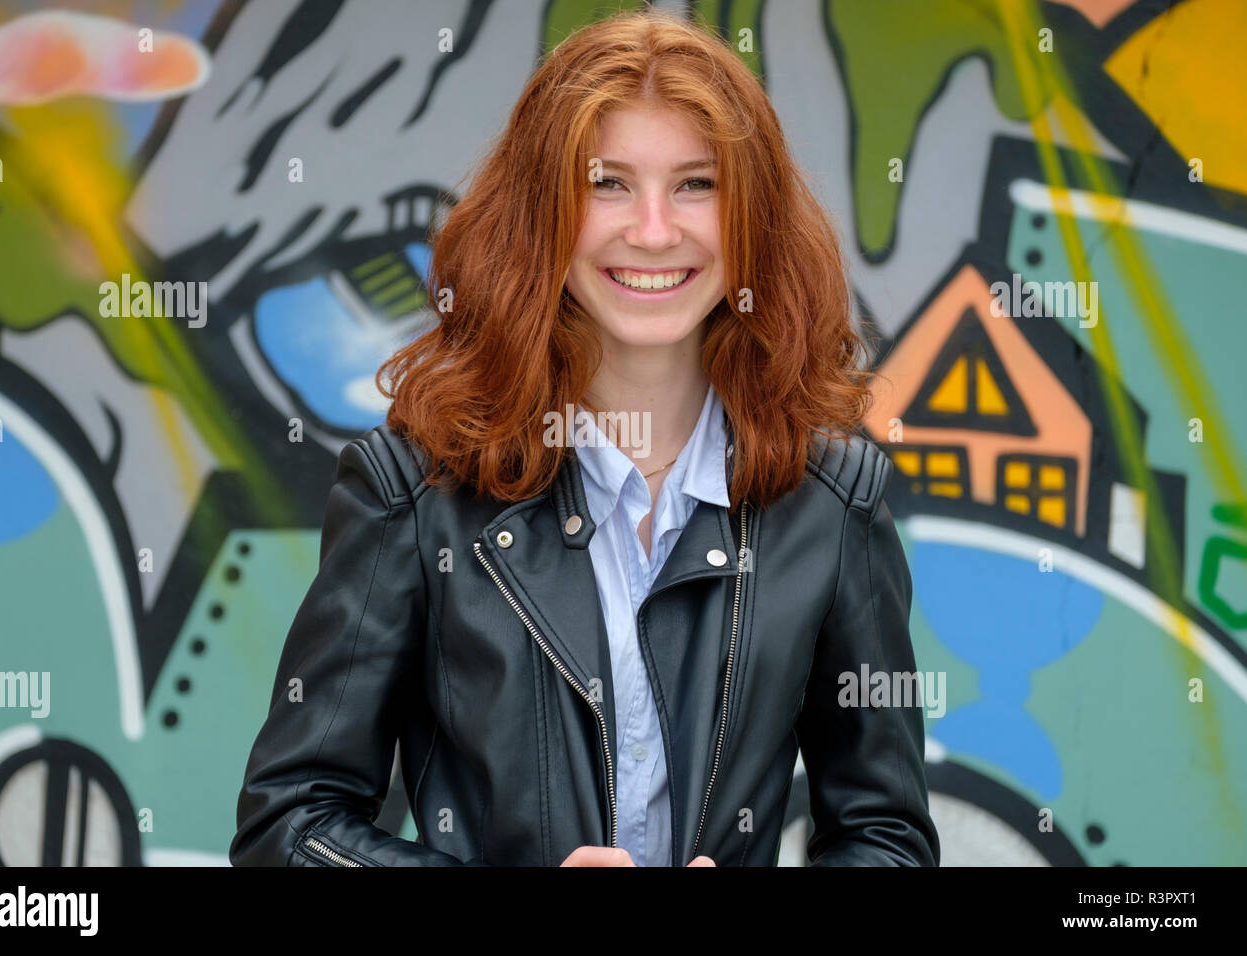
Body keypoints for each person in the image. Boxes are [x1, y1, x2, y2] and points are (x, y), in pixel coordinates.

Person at [230, 9, 940, 867]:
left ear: (752, 215)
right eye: (607, 183)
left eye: (697, 184)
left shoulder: (833, 503)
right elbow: (290, 826)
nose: (651, 230)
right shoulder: (411, 493)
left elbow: (887, 840)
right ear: (543, 212)